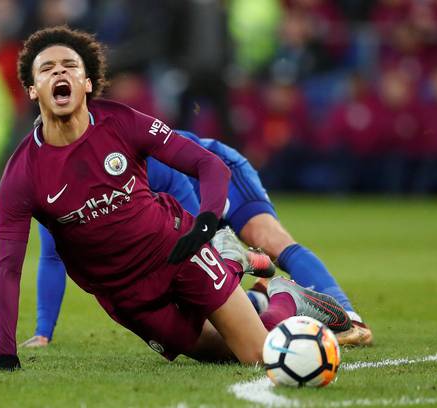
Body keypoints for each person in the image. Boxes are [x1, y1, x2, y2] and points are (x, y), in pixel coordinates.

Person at [0, 26, 352, 371]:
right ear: (32, 90)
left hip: (179, 251)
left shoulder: (122, 124)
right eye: (47, 69)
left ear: (86, 83)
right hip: (127, 297)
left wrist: (206, 223)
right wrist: (6, 354)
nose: (59, 73)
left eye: (69, 66)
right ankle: (271, 291)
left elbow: (207, 164)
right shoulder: (23, 174)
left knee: (258, 355)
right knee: (219, 352)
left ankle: (268, 287)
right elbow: (8, 266)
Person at [21, 130, 371, 349]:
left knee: (266, 237)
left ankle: (350, 316)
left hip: (211, 172)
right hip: (174, 213)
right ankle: (275, 298)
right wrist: (43, 331)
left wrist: (205, 245)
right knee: (213, 330)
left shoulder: (116, 148)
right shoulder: (56, 183)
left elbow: (178, 181)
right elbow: (53, 255)